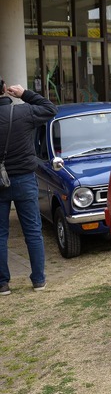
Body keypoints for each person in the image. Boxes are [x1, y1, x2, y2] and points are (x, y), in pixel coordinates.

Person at [0, 79, 57, 295]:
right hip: (24, 178)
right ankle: (39, 280)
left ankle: (3, 284)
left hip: (0, 181)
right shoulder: (24, 112)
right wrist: (25, 93)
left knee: (0, 234)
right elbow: (51, 109)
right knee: (33, 231)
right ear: (5, 90)